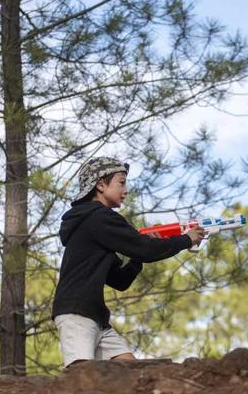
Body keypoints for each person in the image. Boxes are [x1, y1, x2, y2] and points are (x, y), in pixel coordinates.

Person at [51, 156, 206, 367]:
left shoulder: (95, 225)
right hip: (77, 315)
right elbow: (145, 249)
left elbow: (119, 280)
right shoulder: (99, 218)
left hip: (96, 317)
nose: (126, 190)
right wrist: (185, 239)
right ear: (100, 185)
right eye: (121, 183)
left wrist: (136, 258)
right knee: (80, 377)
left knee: (132, 373)